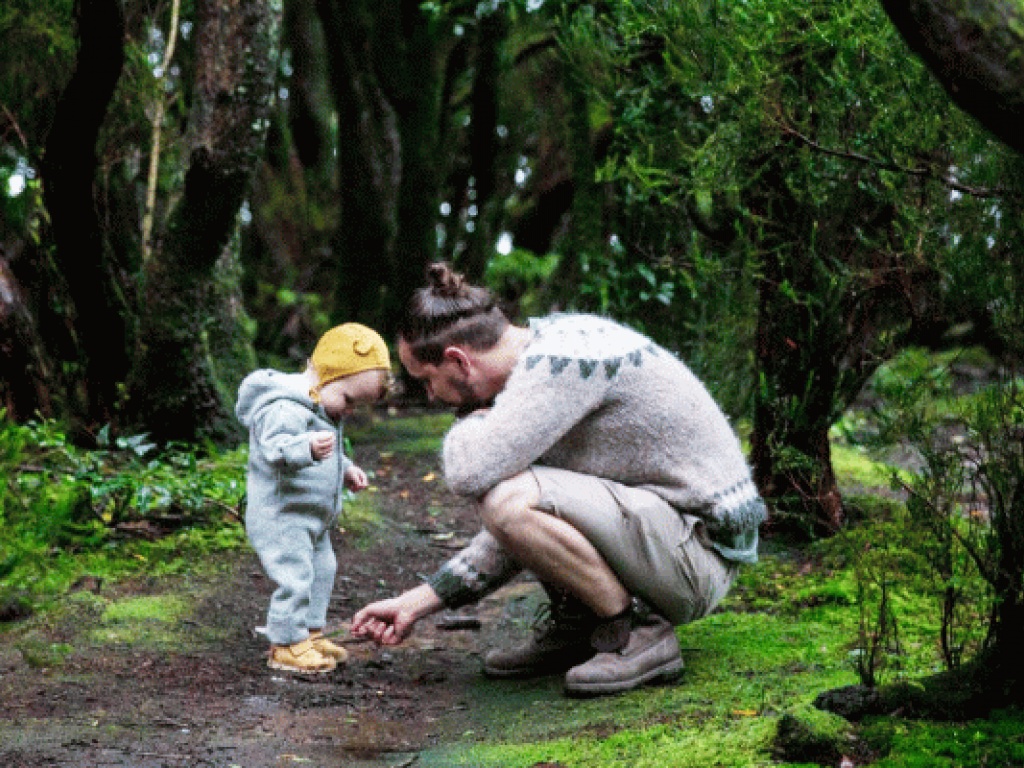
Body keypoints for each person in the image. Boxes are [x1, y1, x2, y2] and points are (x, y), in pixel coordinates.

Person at [352, 262, 766, 696]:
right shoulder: (547, 358)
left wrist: (472, 422)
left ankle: (637, 631)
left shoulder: (563, 361)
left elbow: (470, 473)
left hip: (696, 556)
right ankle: (582, 627)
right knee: (514, 497)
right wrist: (418, 602)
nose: (431, 397)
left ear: (459, 360)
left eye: (428, 381)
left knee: (507, 497)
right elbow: (526, 526)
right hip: (668, 539)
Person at [236, 323, 391, 674]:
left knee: (323, 570)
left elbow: (330, 452)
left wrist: (346, 469)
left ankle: (310, 632)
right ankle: (285, 644)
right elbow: (273, 447)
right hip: (283, 514)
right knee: (295, 576)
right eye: (349, 400)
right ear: (323, 375)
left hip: (313, 517)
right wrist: (304, 448)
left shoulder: (323, 408)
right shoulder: (284, 407)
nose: (349, 411)